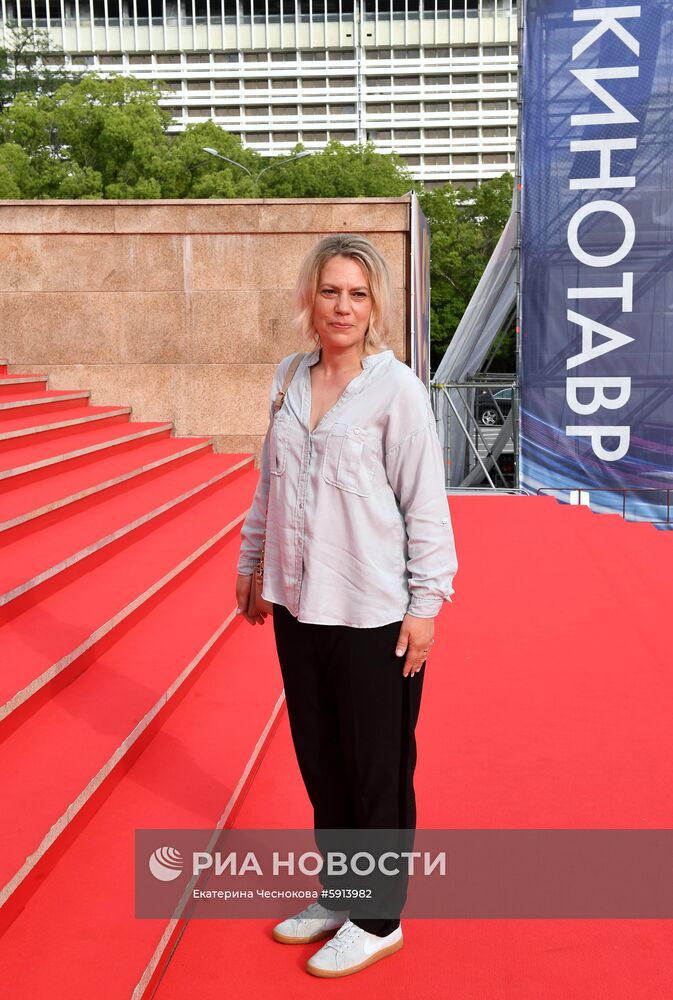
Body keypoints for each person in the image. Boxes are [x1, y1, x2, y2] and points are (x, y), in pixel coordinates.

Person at [235, 233, 458, 978]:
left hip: (374, 613)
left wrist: (425, 604)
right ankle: (342, 891)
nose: (342, 307)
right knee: (322, 760)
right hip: (300, 605)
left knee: (376, 768)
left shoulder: (396, 390)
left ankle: (378, 918)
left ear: (375, 306)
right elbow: (270, 481)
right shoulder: (288, 378)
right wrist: (251, 564)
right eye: (330, 291)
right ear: (311, 297)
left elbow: (425, 504)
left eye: (357, 294)